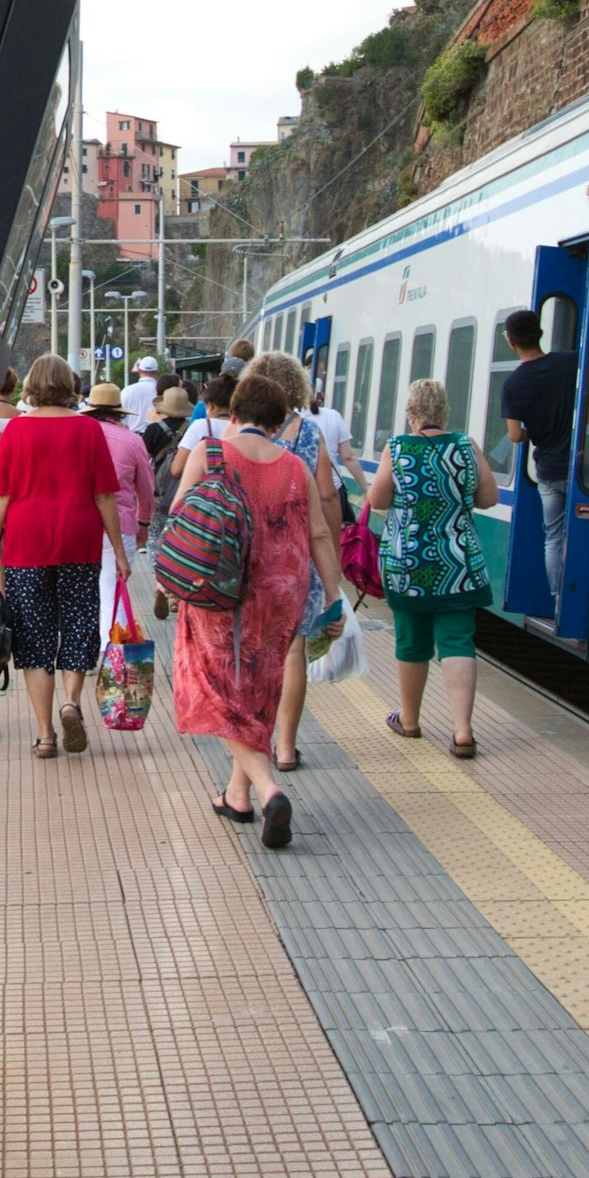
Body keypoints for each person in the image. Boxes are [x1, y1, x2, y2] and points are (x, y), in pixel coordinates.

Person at [169, 360, 344, 848]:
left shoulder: (211, 453)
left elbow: (182, 515)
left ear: (234, 413)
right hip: (281, 594)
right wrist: (334, 599)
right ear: (278, 418)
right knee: (258, 692)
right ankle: (236, 795)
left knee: (214, 691)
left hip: (221, 591)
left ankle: (268, 791)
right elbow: (320, 535)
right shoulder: (294, 465)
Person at [0, 355, 132, 757]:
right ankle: (71, 702)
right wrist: (119, 552)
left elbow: (2, 495)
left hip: (26, 543)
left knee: (34, 637)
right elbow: (105, 495)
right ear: (69, 384)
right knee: (79, 623)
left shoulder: (16, 430)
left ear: (32, 383)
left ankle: (46, 734)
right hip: (79, 541)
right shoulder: (89, 429)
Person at [366, 375, 499, 754]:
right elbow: (488, 497)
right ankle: (462, 730)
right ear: (443, 411)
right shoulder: (465, 445)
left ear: (411, 414)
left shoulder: (398, 448)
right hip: (458, 562)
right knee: (458, 641)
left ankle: (409, 721)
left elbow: (377, 499)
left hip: (407, 563)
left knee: (412, 642)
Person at [247, 352, 341, 773]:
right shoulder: (310, 432)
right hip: (297, 556)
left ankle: (254, 742)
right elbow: (326, 496)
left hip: (248, 556)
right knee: (293, 648)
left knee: (249, 648)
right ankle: (286, 748)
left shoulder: (239, 433)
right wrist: (331, 559)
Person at [496, 307, 576, 614]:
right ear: (540, 333)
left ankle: (559, 601)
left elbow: (515, 436)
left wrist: (536, 429)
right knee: (581, 531)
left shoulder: (513, 384)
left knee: (554, 537)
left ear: (511, 341)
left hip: (548, 471)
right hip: (582, 470)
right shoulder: (569, 363)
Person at [84, 380, 156, 667]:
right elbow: (146, 490)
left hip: (82, 522)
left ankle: (85, 653)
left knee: (85, 589)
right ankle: (113, 657)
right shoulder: (133, 441)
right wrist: (145, 522)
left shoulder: (81, 435)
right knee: (115, 589)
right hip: (123, 523)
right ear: (118, 412)